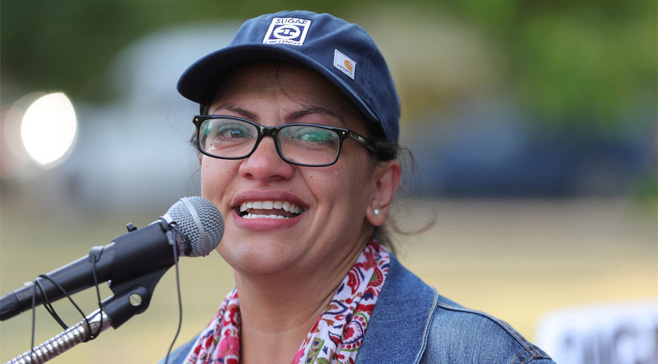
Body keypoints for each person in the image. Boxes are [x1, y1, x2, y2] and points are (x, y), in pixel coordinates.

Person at [161, 10, 555, 364]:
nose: (262, 165)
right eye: (232, 130)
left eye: (312, 135)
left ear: (380, 188)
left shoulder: (480, 357)